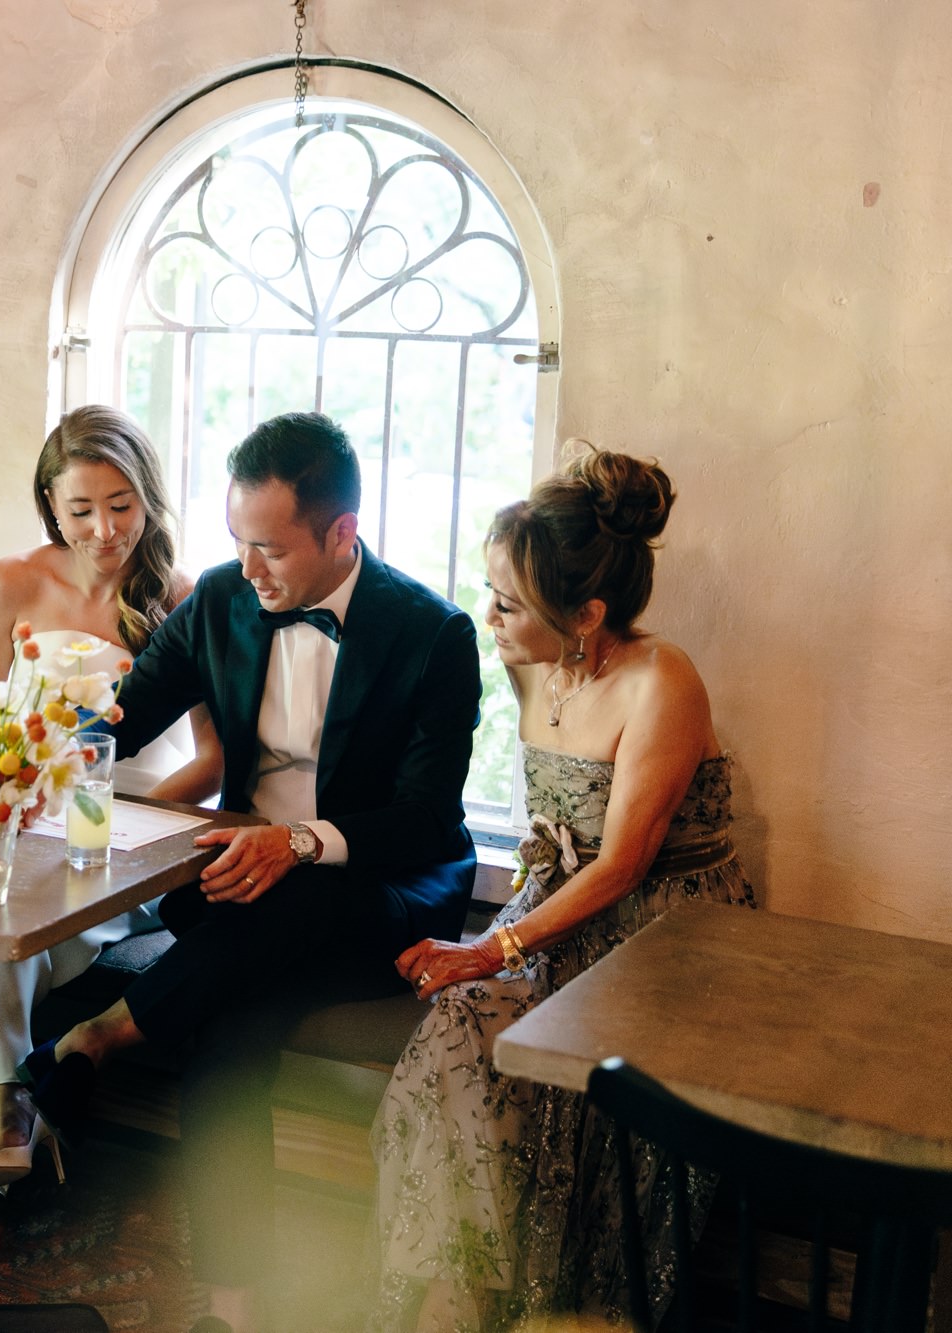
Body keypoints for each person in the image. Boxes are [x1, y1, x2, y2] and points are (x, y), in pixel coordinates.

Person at [19, 412, 482, 1332]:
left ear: (341, 533)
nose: (248, 566)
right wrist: (31, 759)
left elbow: (425, 820)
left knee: (281, 921)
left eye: (268, 547)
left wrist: (300, 842)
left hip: (377, 890)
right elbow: (126, 714)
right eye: (236, 540)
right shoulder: (224, 600)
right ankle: (237, 1308)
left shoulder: (433, 632)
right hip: (242, 897)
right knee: (233, 1023)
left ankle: (105, 1035)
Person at [370, 444, 756, 1333]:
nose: (490, 615)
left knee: (535, 1066)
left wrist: (490, 947)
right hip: (554, 910)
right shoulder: (527, 659)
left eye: (509, 602)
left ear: (586, 613)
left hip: (666, 935)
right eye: (492, 591)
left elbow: (623, 866)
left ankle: (503, 1306)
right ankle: (452, 1299)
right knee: (453, 1034)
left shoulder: (664, 682)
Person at [0, 405, 221, 1186]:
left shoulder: (181, 593)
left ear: (148, 500)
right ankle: (7, 1111)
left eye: (121, 506)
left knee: (11, 924)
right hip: (23, 816)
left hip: (140, 834)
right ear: (50, 503)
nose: (105, 530)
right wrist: (8, 803)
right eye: (81, 510)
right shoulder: (11, 581)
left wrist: (125, 824)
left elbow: (213, 761)